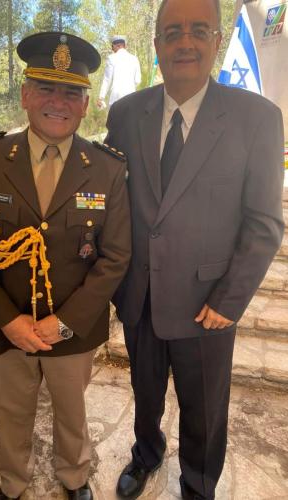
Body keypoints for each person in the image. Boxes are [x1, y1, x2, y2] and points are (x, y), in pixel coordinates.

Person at [105, 0, 285, 499]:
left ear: (216, 41)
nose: (185, 41)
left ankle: (198, 484)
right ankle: (146, 453)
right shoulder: (125, 114)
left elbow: (266, 222)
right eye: (172, 31)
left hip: (208, 303)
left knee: (205, 407)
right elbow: (109, 198)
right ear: (157, 44)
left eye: (198, 30)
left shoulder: (258, 119)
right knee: (144, 395)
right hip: (139, 294)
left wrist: (230, 301)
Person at [0, 31, 131, 500]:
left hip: (72, 328)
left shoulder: (108, 168)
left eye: (71, 91)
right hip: (6, 324)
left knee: (72, 410)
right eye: (47, 88)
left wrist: (66, 323)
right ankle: (13, 484)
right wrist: (8, 321)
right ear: (25, 94)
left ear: (86, 103)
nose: (59, 101)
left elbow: (115, 257)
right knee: (12, 411)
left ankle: (74, 477)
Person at [97, 35, 141, 109]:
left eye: (112, 47)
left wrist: (101, 97)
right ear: (125, 45)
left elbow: (107, 80)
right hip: (131, 97)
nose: (112, 49)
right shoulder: (134, 59)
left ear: (115, 46)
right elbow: (137, 80)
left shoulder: (111, 58)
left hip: (116, 98)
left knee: (116, 120)